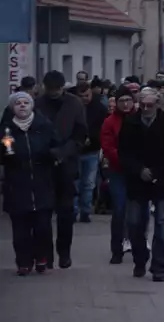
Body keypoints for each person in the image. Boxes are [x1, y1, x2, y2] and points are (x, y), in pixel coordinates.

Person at [118, 87, 164, 281]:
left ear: (158, 104)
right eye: (143, 105)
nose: (146, 108)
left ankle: (159, 267)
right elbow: (124, 152)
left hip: (162, 181)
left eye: (150, 105)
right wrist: (139, 170)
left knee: (163, 224)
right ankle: (140, 259)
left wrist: (158, 172)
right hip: (137, 181)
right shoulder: (130, 123)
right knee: (134, 223)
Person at [1, 92, 61, 276]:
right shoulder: (6, 129)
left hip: (42, 182)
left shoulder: (44, 125)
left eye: (25, 102)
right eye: (17, 103)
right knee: (20, 229)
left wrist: (53, 155)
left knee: (42, 226)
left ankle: (42, 257)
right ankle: (23, 262)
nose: (22, 106)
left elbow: (57, 146)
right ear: (13, 108)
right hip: (17, 184)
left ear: (32, 105)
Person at [36, 70, 87, 269]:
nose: (54, 93)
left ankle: (64, 252)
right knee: (43, 214)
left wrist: (64, 152)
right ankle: (45, 254)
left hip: (66, 165)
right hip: (43, 165)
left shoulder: (74, 103)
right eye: (50, 89)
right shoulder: (38, 104)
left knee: (66, 213)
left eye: (57, 89)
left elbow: (81, 133)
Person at [101, 85, 136, 264]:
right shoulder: (110, 122)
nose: (125, 104)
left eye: (128, 100)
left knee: (138, 210)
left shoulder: (139, 119)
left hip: (137, 172)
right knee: (120, 209)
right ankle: (117, 249)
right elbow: (108, 147)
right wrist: (123, 160)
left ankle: (138, 245)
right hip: (118, 171)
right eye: (121, 101)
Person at [75, 82, 108, 223]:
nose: (85, 98)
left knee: (88, 183)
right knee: (75, 182)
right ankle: (74, 210)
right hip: (75, 150)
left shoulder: (99, 108)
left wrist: (94, 139)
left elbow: (103, 127)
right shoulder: (73, 108)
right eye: (81, 96)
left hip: (92, 150)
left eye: (87, 95)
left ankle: (86, 211)